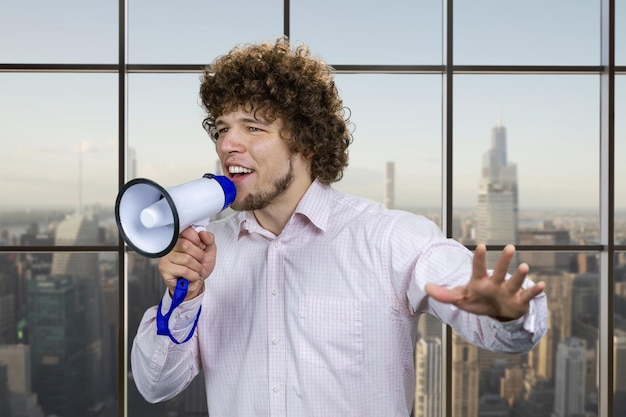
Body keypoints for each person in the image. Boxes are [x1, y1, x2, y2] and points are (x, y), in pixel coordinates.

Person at [131, 37, 548, 417]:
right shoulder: (208, 253)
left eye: (253, 127)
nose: (226, 144)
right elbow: (155, 386)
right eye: (222, 129)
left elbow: (509, 332)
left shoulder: (387, 237)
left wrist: (508, 313)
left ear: (306, 142)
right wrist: (183, 299)